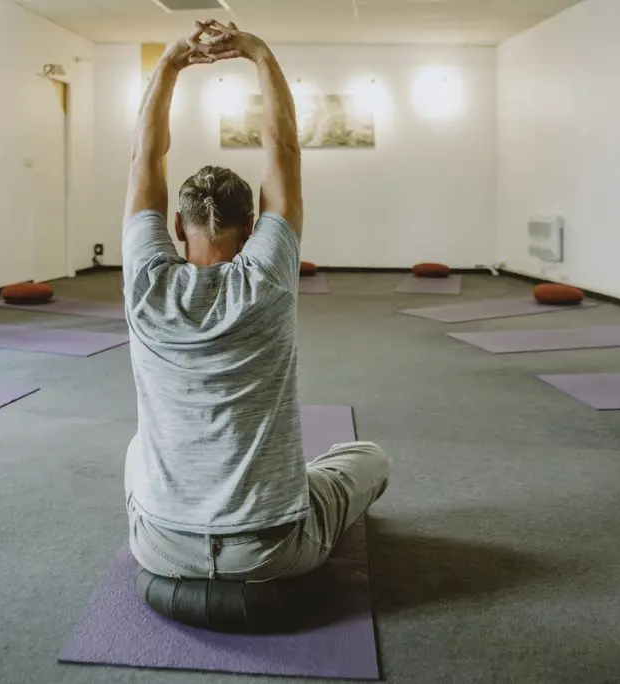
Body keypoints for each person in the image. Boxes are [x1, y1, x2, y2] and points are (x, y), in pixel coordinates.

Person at [120, 20, 389, 583]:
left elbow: (147, 153)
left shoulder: (145, 280)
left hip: (160, 546)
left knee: (136, 448)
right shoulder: (268, 275)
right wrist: (258, 52)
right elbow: (283, 148)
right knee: (369, 458)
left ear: (174, 225)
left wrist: (172, 61)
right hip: (270, 551)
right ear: (252, 229)